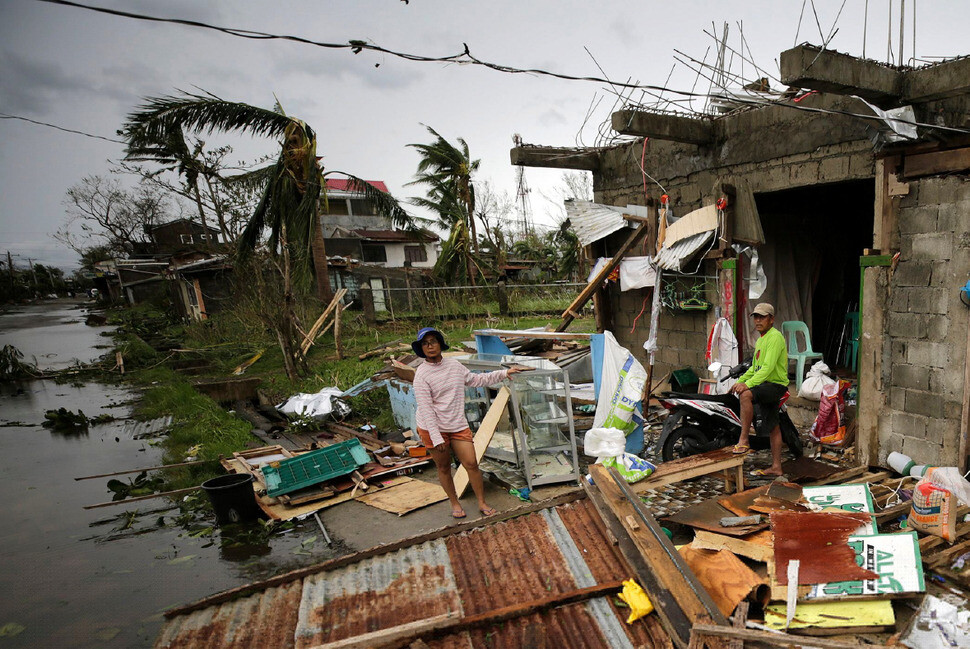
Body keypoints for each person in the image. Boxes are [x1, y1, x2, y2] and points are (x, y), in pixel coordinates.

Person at [411, 327, 522, 519]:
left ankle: (481, 502)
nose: (430, 346)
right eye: (425, 343)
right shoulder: (421, 375)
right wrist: (437, 437)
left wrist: (503, 374)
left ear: (440, 344)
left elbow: (476, 379)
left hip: (456, 424)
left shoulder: (454, 366)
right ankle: (454, 503)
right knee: (444, 467)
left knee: (471, 463)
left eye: (433, 341)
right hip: (432, 427)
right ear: (422, 348)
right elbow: (426, 408)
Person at [730, 303, 789, 476]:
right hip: (765, 385)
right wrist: (740, 381)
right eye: (756, 317)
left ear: (771, 319)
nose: (758, 320)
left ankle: (744, 439)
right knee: (773, 427)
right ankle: (777, 467)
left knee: (746, 395)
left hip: (775, 385)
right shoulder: (762, 339)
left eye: (762, 317)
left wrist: (746, 385)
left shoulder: (775, 337)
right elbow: (755, 368)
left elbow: (767, 368)